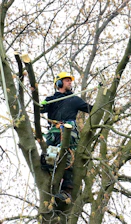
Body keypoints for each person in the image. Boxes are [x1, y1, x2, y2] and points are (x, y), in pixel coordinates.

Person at [40, 71, 93, 202]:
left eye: (70, 80)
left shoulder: (74, 99)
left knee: (66, 157)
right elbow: (40, 108)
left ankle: (66, 190)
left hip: (68, 132)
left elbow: (91, 108)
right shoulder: (52, 100)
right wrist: (42, 103)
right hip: (53, 132)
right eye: (67, 80)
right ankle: (51, 188)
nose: (70, 82)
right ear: (59, 83)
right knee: (47, 158)